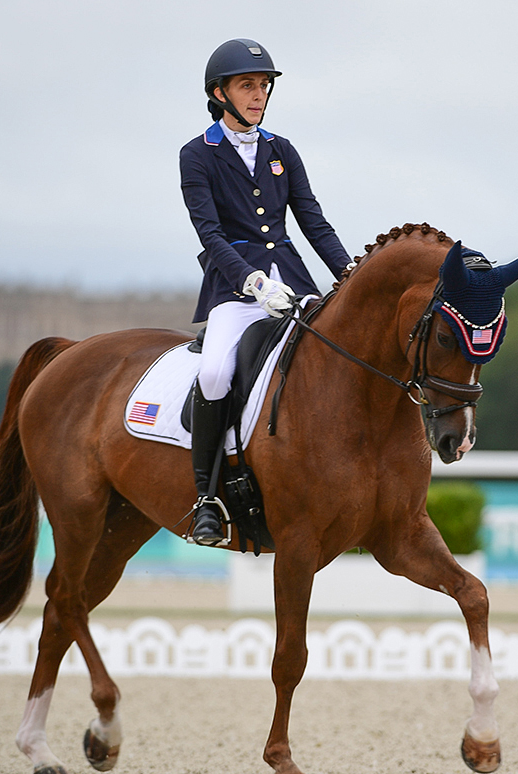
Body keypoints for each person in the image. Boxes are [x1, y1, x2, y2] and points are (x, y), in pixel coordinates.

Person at [179, 38, 353, 546]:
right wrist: (251, 282)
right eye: (247, 86)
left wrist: (349, 275)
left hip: (294, 283)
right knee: (213, 372)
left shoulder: (282, 150)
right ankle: (206, 498)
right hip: (236, 289)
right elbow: (209, 233)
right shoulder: (197, 155)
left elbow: (313, 222)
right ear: (220, 92)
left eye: (263, 86)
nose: (259, 95)